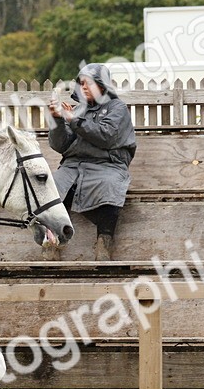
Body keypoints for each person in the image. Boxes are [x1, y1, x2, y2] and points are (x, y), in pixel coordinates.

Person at [46, 63, 137, 261]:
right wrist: (58, 120)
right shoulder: (78, 110)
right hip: (74, 167)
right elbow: (60, 145)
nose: (83, 87)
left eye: (89, 83)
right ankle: (51, 242)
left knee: (109, 185)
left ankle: (104, 245)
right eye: (81, 83)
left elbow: (106, 136)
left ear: (103, 86)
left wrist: (73, 120)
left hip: (108, 165)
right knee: (51, 187)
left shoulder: (117, 108)